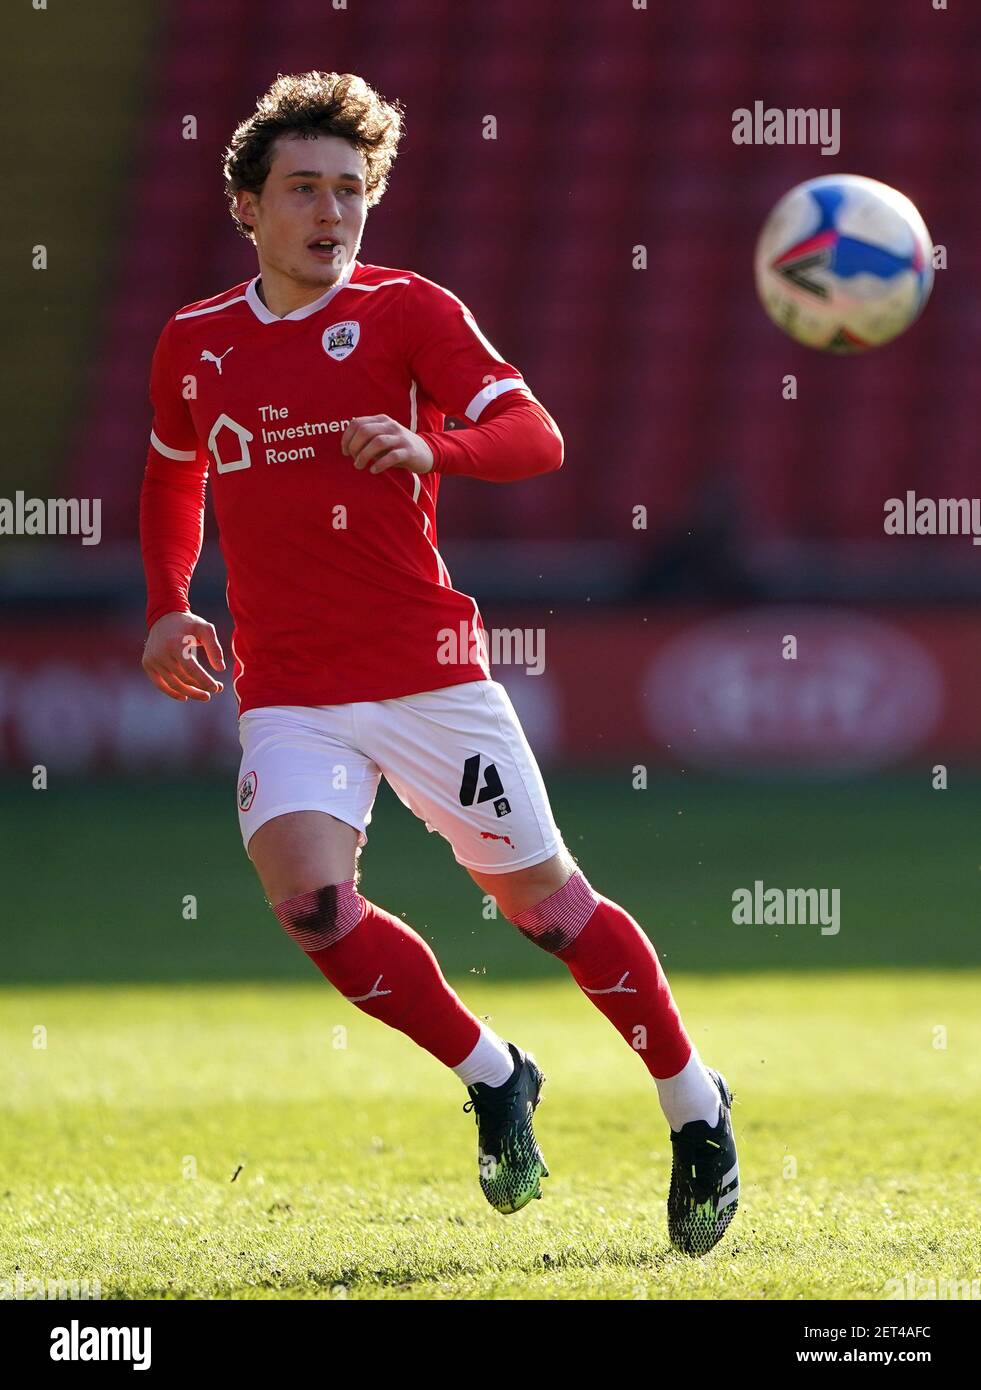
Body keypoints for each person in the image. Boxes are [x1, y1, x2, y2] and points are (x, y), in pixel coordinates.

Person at [139, 70, 738, 1254]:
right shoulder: (196, 342)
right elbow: (174, 473)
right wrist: (166, 604)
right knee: (313, 906)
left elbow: (537, 435)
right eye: (304, 189)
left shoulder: (410, 309)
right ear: (247, 208)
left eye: (350, 191)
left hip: (428, 672)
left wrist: (434, 443)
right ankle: (495, 1073)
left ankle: (693, 1099)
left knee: (549, 911)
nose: (331, 212)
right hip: (293, 684)